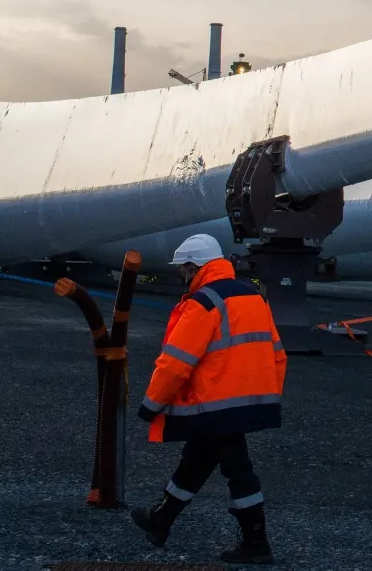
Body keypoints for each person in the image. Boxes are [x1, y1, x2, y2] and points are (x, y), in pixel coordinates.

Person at [131, 232, 286, 564]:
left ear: (193, 266)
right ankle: (161, 521)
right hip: (250, 399)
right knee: (198, 459)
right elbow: (277, 353)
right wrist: (268, 395)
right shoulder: (253, 295)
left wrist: (152, 404)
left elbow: (175, 363)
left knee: (237, 469)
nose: (181, 275)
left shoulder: (203, 302)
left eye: (183, 269)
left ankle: (257, 545)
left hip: (216, 403)